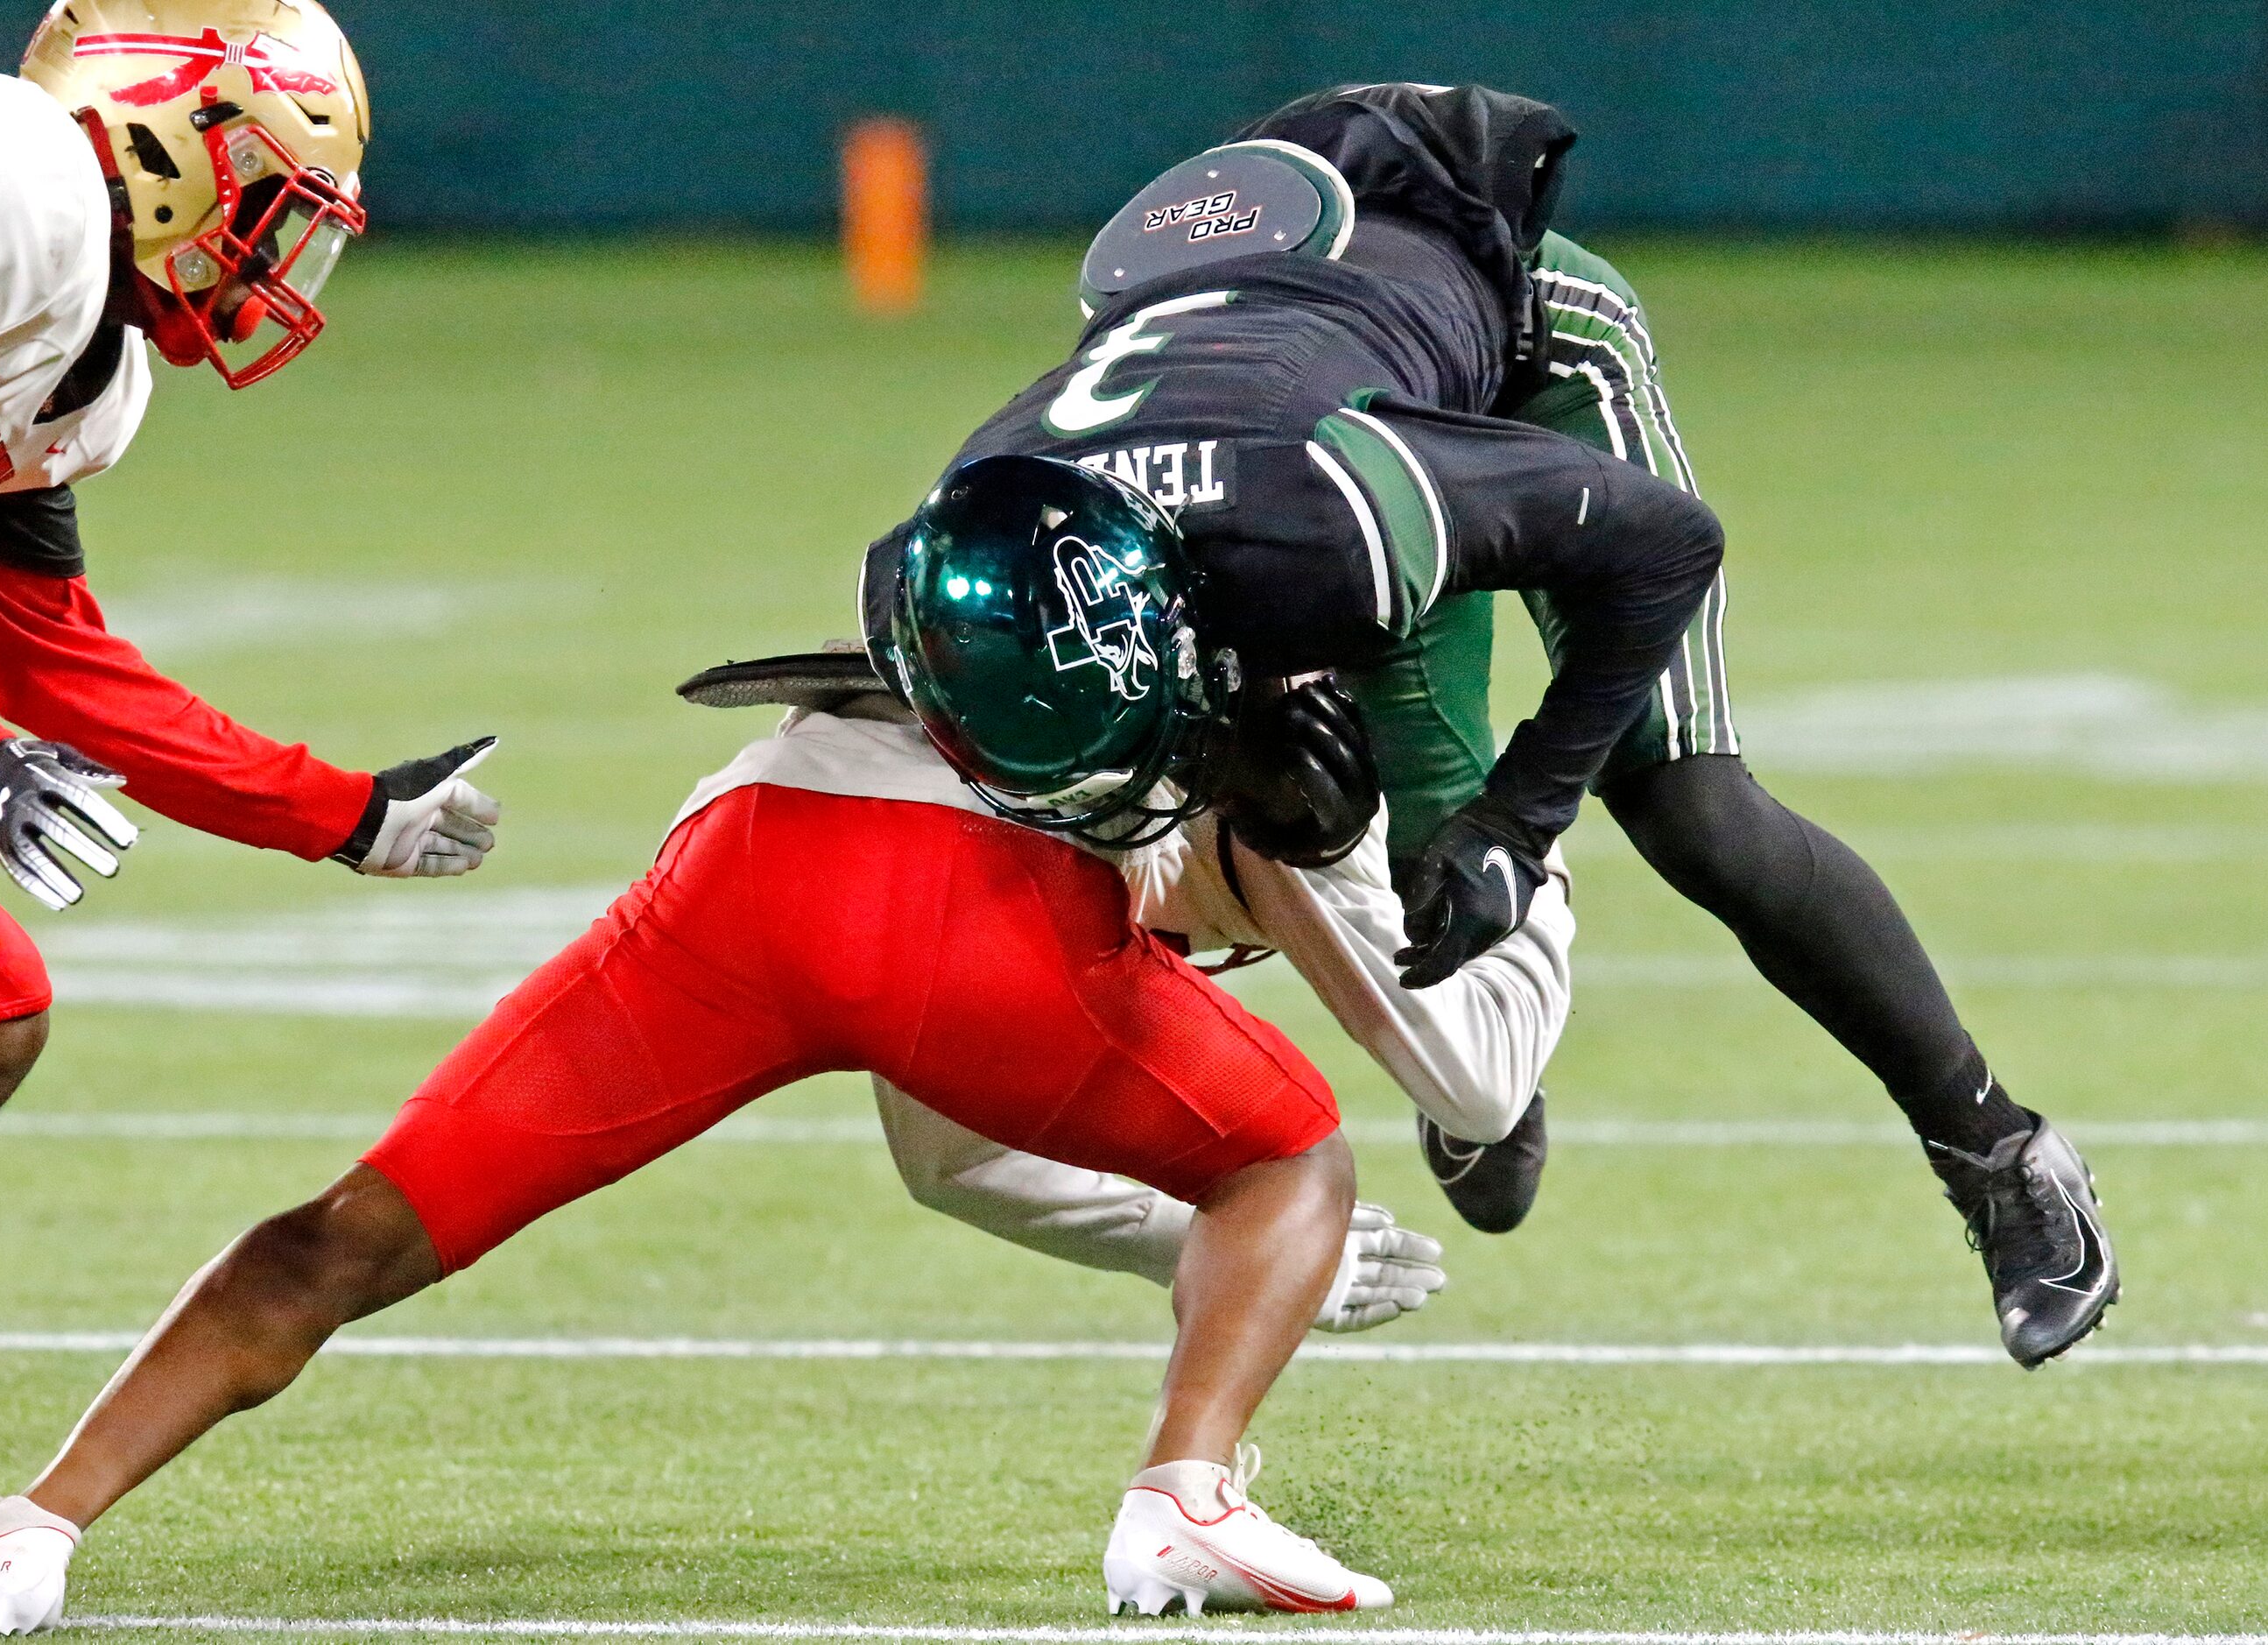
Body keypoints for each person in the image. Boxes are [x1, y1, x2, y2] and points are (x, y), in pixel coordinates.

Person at [0, 466, 1441, 1633]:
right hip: (978, 928)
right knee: (1286, 1152)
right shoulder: (1247, 626)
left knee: (353, 1232)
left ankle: (31, 1523)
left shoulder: (1048, 540)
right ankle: (1183, 1492)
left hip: (746, 864)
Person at [877, 83, 2116, 1365]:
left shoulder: (1318, 527)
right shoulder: (937, 580)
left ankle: (2000, 1156)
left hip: (1503, 357)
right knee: (1416, 907)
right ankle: (1490, 1025)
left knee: (1686, 801)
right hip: (1327, 415)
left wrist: (1516, 823)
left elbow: (1662, 549)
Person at [0, 0, 502, 1225]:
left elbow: (58, 673)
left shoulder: (81, 355)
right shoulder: (1, 185)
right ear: (177, 140)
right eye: (273, 204)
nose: (277, 252)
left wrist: (349, 815)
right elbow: (0, 716)